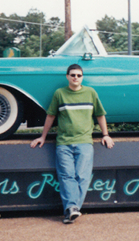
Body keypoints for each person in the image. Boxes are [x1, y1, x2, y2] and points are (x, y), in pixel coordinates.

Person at [30, 64, 114, 224]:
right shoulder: (59, 94)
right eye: (73, 75)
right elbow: (51, 116)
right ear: (67, 76)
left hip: (84, 142)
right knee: (66, 176)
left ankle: (71, 209)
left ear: (82, 77)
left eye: (79, 75)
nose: (76, 78)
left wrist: (106, 134)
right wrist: (42, 136)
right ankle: (73, 209)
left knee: (82, 176)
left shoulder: (90, 93)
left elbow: (100, 115)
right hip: (63, 143)